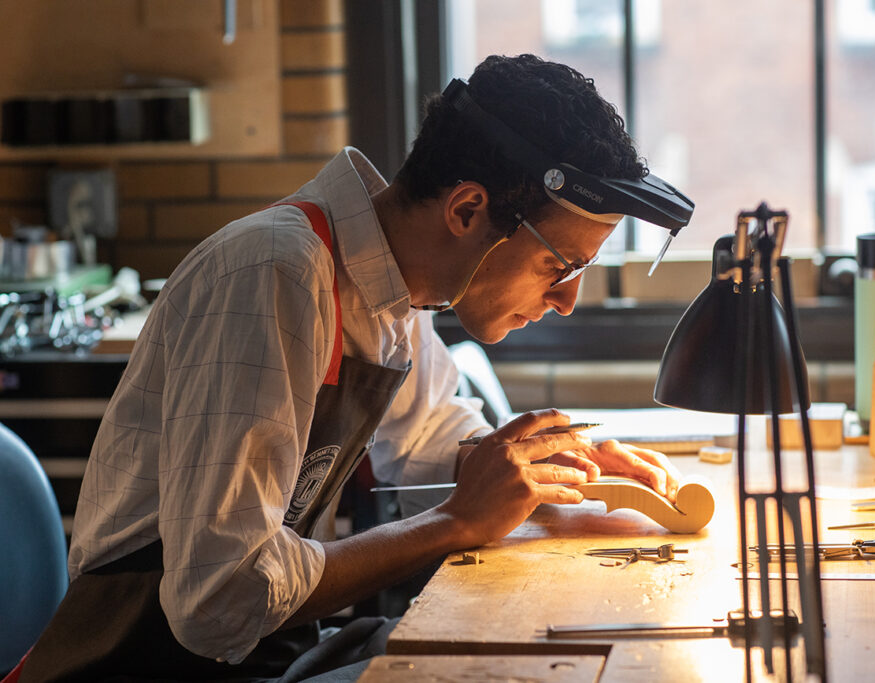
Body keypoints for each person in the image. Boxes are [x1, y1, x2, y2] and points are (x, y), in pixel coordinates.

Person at [19, 54, 694, 682]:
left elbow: (427, 438)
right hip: (141, 663)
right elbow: (217, 597)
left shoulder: (396, 289)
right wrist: (458, 521)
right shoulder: (276, 276)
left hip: (260, 650)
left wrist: (542, 466)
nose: (569, 301)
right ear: (466, 210)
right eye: (561, 265)